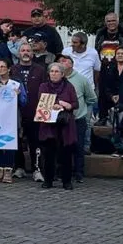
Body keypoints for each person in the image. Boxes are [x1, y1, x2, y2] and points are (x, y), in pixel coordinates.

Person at [36, 63, 79, 191]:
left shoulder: (69, 86)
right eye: (52, 71)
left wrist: (66, 105)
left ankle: (67, 181)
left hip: (65, 125)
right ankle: (48, 180)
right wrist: (56, 104)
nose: (54, 73)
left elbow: (75, 103)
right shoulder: (44, 86)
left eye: (56, 71)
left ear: (62, 74)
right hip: (49, 124)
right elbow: (41, 100)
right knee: (48, 154)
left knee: (66, 154)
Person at [58, 52, 97, 182]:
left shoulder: (81, 79)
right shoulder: (57, 79)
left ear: (71, 64)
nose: (62, 62)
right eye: (60, 61)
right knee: (61, 145)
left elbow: (91, 98)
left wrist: (83, 110)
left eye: (65, 61)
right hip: (60, 119)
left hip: (77, 118)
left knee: (78, 146)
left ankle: (79, 172)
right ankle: (61, 171)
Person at [11, 42, 47, 180]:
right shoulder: (13, 69)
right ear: (19, 53)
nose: (25, 53)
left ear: (32, 53)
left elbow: (45, 90)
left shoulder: (40, 70)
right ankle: (19, 167)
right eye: (23, 50)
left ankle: (36, 168)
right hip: (17, 112)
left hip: (35, 112)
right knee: (17, 141)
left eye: (28, 50)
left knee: (35, 142)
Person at [0, 57, 24, 184]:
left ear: (9, 68)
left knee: (10, 143)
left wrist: (18, 95)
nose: (0, 69)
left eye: (3, 66)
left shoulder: (16, 83)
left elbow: (24, 101)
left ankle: (8, 170)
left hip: (11, 118)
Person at [100, 45, 123, 155]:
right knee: (114, 125)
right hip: (112, 100)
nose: (120, 55)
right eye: (118, 54)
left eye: (122, 53)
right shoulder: (110, 67)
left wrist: (122, 96)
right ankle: (117, 147)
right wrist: (112, 96)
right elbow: (106, 84)